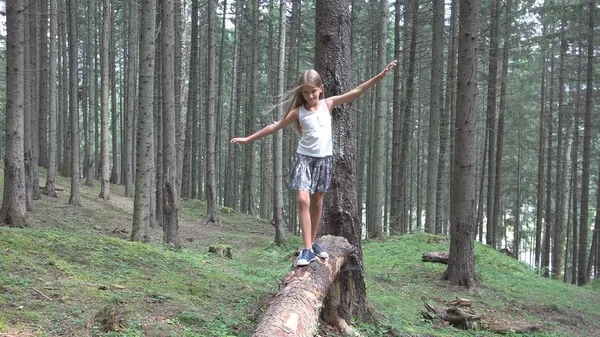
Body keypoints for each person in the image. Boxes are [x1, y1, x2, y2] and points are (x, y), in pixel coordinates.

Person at [231, 60, 398, 266]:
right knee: (303, 200)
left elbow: (356, 91)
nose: (310, 96)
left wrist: (380, 76)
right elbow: (274, 126)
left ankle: (313, 242)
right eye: (305, 93)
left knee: (317, 203)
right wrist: (248, 139)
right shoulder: (298, 112)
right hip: (304, 160)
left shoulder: (328, 104)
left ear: (321, 89)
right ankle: (307, 249)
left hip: (324, 162)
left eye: (313, 91)